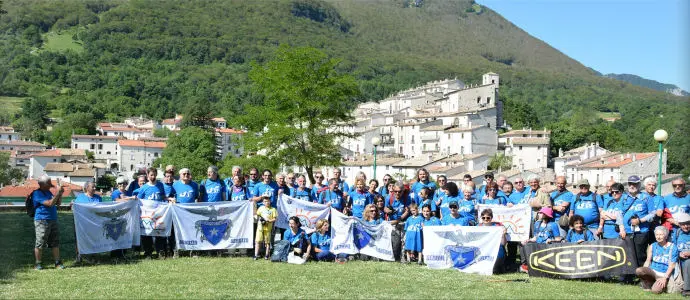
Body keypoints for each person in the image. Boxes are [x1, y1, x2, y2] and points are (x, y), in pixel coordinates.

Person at [32, 175, 65, 270]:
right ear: (44, 184)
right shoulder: (37, 194)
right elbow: (50, 204)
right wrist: (58, 193)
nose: (51, 185)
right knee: (40, 242)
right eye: (49, 183)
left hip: (52, 219)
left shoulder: (48, 192)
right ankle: (38, 264)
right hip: (42, 220)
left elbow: (57, 203)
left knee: (55, 242)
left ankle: (57, 262)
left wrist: (60, 194)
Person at [137, 167, 171, 259]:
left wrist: (169, 199)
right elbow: (139, 200)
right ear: (147, 176)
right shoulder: (144, 187)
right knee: (147, 233)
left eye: (154, 175)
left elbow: (163, 196)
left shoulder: (160, 185)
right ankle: (148, 252)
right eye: (151, 175)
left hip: (158, 214)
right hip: (147, 215)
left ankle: (160, 251)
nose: (153, 176)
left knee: (159, 232)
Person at [624, 175, 656, 268]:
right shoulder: (624, 197)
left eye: (634, 184)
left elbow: (653, 214)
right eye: (630, 184)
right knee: (627, 254)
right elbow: (619, 213)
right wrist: (621, 228)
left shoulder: (646, 197)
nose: (632, 186)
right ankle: (629, 277)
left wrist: (640, 220)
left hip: (641, 231)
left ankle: (641, 277)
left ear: (639, 184)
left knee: (639, 255)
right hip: (626, 231)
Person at [636, 226, 678, 294]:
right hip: (653, 272)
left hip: (664, 274)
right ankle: (649, 282)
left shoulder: (672, 247)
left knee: (655, 291)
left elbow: (672, 266)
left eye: (661, 235)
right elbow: (648, 261)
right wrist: (644, 275)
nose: (658, 237)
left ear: (666, 236)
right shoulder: (652, 246)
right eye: (657, 235)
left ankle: (663, 284)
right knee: (639, 270)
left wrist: (665, 278)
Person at [520, 207, 561, 273]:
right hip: (537, 245)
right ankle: (525, 265)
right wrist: (528, 240)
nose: (539, 214)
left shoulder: (553, 225)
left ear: (545, 214)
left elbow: (558, 239)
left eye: (541, 213)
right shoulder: (537, 224)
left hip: (547, 247)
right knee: (522, 244)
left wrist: (551, 240)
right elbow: (535, 237)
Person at [478, 208, 507, 274]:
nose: (486, 219)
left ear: (491, 218)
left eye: (488, 218)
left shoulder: (498, 227)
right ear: (481, 218)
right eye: (483, 218)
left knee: (494, 270)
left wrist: (503, 234)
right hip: (483, 252)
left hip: (496, 252)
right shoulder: (478, 227)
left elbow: (503, 243)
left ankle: (499, 266)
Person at [671, 213, 690, 297]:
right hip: (679, 260)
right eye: (683, 224)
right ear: (679, 224)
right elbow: (673, 247)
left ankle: (687, 289)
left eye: (688, 223)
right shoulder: (677, 232)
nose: (686, 226)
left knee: (688, 262)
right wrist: (679, 254)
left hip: (688, 261)